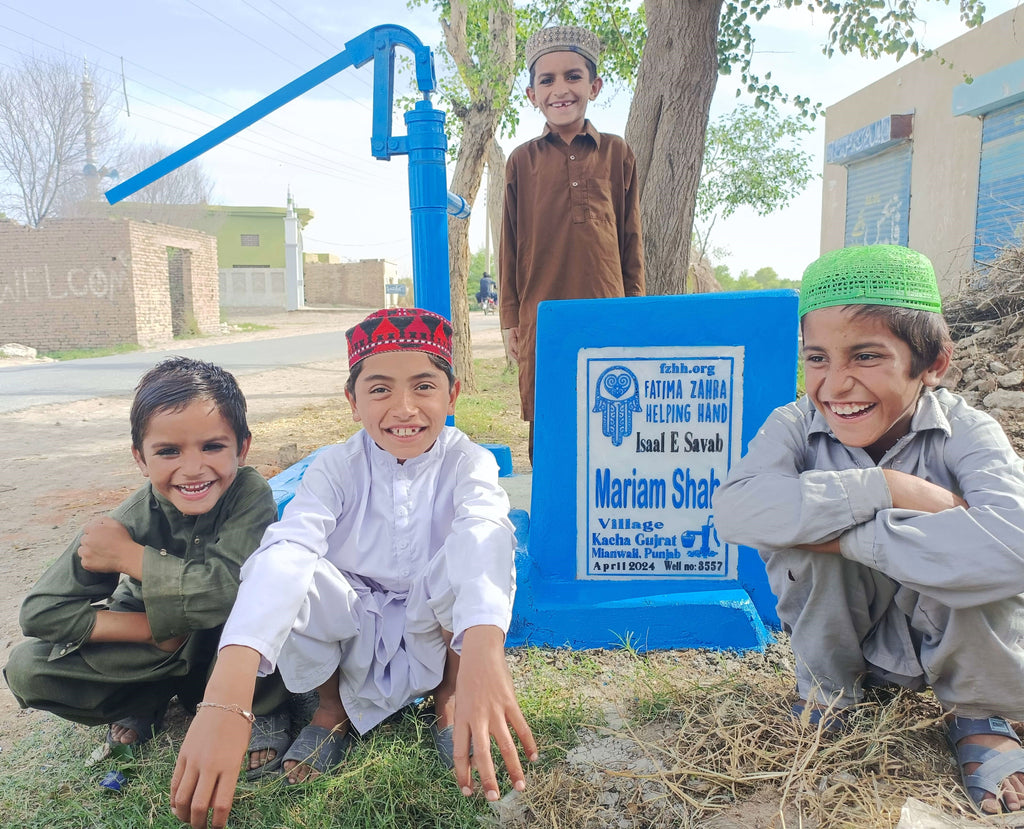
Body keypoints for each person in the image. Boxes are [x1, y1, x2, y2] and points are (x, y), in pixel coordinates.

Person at [169, 307, 538, 829]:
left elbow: (483, 531)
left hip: (433, 616)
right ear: (353, 401)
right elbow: (289, 548)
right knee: (292, 570)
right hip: (354, 613)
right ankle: (331, 708)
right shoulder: (336, 466)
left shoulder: (468, 461)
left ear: (451, 396)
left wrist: (484, 647)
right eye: (380, 389)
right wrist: (226, 693)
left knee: (478, 548)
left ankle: (453, 694)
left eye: (424, 386)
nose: (404, 408)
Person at [717, 244, 1024, 815]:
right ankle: (830, 699)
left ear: (933, 364)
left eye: (865, 356)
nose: (835, 385)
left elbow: (1014, 546)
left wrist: (849, 536)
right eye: (817, 358)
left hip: (947, 637)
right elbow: (735, 510)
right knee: (810, 545)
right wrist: (889, 491)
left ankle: (980, 714)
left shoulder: (968, 431)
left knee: (970, 560)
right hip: (846, 643)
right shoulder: (793, 423)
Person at [4, 356, 287, 752]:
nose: (192, 468)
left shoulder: (249, 493)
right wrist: (153, 632)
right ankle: (144, 700)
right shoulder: (129, 518)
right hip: (153, 646)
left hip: (225, 638)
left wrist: (130, 559)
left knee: (274, 606)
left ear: (241, 449)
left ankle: (262, 709)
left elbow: (223, 593)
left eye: (212, 446)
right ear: (140, 458)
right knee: (27, 668)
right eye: (169, 451)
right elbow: (42, 612)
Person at [500, 25, 644, 458]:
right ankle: (551, 521)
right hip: (541, 315)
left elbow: (631, 238)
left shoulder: (617, 153)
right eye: (547, 80)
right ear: (531, 94)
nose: (560, 89)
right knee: (549, 425)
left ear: (594, 86)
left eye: (573, 76)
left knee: (612, 418)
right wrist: (511, 318)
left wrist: (634, 306)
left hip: (608, 308)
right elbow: (508, 245)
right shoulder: (521, 161)